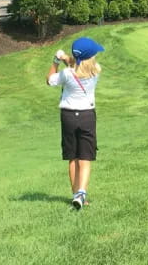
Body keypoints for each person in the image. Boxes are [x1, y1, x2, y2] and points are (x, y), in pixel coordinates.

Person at [46, 37, 104, 209]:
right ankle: (82, 195)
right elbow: (78, 66)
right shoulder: (96, 70)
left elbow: (49, 80)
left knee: (73, 157)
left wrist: (56, 61)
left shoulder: (66, 74)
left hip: (68, 117)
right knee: (85, 158)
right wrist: (67, 59)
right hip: (87, 116)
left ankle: (75, 195)